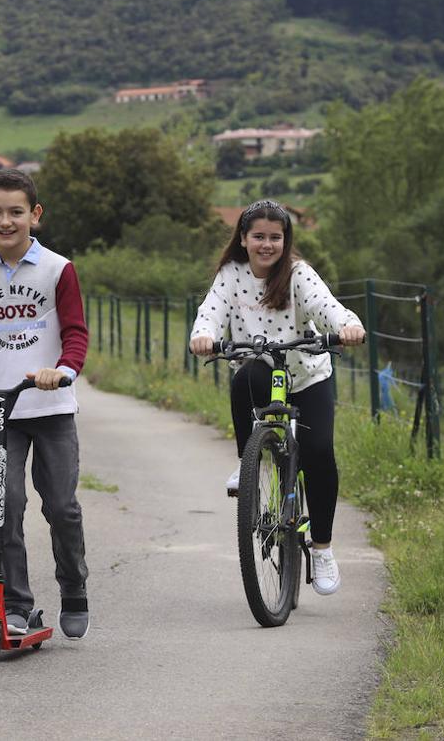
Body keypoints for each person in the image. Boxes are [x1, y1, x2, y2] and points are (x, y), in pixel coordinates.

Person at [0, 168, 92, 640]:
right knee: (4, 508)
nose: (6, 221)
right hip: (0, 412)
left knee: (62, 507)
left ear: (35, 215)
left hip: (50, 408)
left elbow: (75, 333)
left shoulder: (57, 269)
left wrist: (63, 370)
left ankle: (74, 588)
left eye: (16, 212)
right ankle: (18, 604)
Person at [188, 199, 365, 596]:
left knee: (319, 453)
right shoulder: (231, 275)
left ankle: (321, 548)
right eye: (258, 237)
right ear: (244, 239)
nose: (267, 245)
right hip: (260, 369)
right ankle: (247, 464)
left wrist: (348, 326)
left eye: (275, 237)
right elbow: (211, 310)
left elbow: (326, 306)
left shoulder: (298, 274)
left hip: (307, 375)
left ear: (286, 240)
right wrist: (203, 335)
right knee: (245, 376)